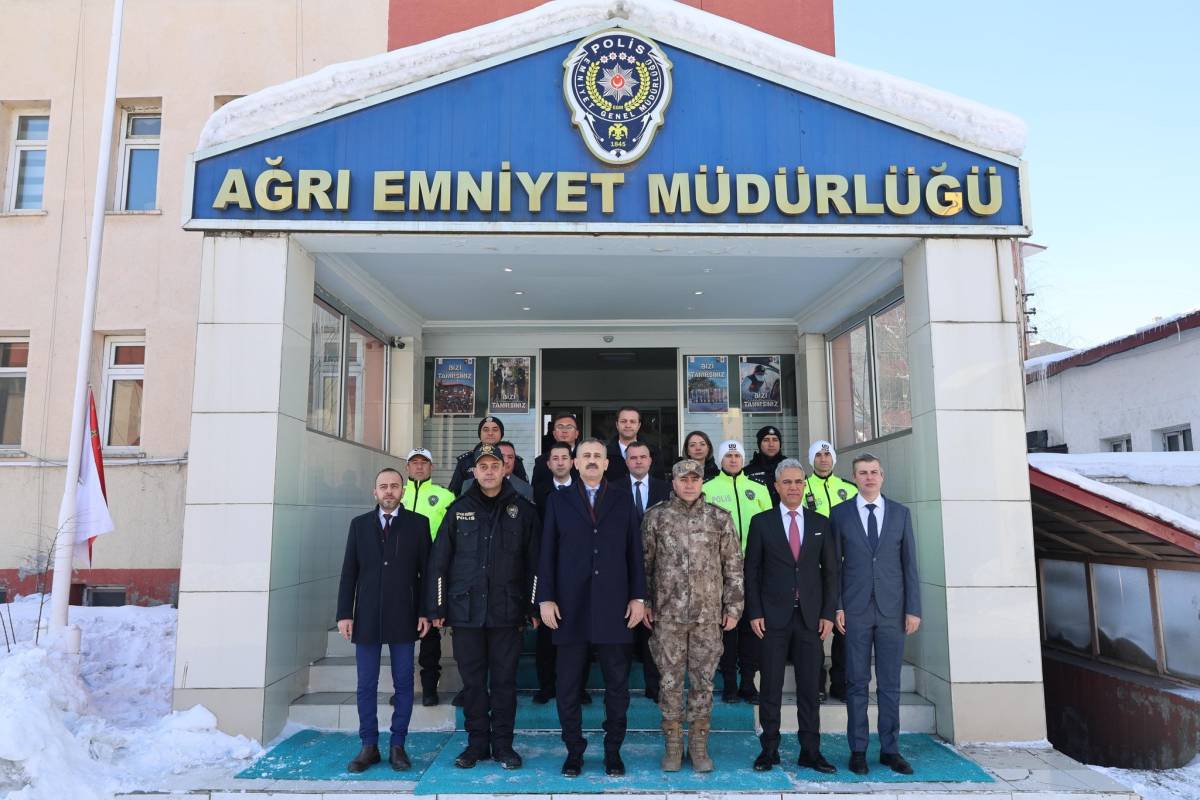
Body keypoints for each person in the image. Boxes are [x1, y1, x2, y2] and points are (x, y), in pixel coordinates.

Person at [426, 444, 541, 770]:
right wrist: (437, 607)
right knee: (474, 684)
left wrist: (533, 606)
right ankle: (476, 744)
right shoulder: (457, 509)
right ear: (473, 472)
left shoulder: (524, 511)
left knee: (504, 683)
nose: (489, 471)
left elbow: (535, 564)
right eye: (483, 466)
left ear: (505, 469)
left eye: (495, 465)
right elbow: (439, 563)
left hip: (508, 612)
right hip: (465, 614)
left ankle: (504, 746)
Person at [538, 438, 646, 778]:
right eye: (585, 456)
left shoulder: (623, 500)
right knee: (567, 686)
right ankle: (574, 752)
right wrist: (545, 598)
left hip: (616, 608)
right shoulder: (557, 500)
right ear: (574, 462)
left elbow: (635, 554)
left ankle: (613, 751)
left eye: (597, 456)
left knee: (617, 686)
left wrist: (638, 597)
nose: (592, 461)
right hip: (569, 608)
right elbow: (547, 554)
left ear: (608, 463)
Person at [642, 459, 743, 773]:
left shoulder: (719, 519)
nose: (689, 484)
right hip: (667, 617)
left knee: (703, 682)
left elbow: (733, 567)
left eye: (694, 479)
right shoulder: (656, 517)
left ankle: (699, 746)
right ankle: (673, 745)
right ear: (673, 482)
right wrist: (644, 602)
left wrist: (734, 607)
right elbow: (644, 566)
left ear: (702, 482)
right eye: (683, 479)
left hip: (707, 617)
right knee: (670, 682)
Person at [745, 459, 838, 774]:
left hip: (811, 619)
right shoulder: (761, 522)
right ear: (776, 486)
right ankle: (769, 750)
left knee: (810, 689)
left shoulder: (820, 522)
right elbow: (752, 572)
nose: (794, 487)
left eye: (799, 482)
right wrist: (755, 611)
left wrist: (827, 613)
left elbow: (831, 574)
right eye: (787, 482)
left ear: (804, 485)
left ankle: (810, 751)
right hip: (772, 619)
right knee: (770, 687)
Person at [336, 467, 431, 773]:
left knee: (403, 682)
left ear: (402, 491)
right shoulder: (359, 525)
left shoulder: (418, 524)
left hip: (404, 614)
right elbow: (349, 571)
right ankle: (369, 746)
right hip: (366, 616)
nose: (389, 491)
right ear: (374, 492)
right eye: (383, 486)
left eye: (394, 486)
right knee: (366, 684)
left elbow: (427, 574)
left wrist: (426, 611)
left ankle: (397, 745)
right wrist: (344, 613)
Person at [831, 454, 921, 776]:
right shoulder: (839, 514)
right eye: (862, 473)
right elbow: (833, 567)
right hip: (854, 610)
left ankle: (890, 749)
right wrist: (837, 605)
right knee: (856, 682)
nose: (868, 477)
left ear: (882, 476)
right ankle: (858, 750)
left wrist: (913, 608)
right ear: (854, 478)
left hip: (892, 612)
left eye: (873, 472)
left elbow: (909, 564)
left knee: (890, 683)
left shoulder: (900, 513)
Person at [702, 440, 772, 704]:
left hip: (754, 569)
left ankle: (748, 683)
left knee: (752, 627)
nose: (733, 460)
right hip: (721, 570)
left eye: (737, 455)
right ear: (720, 460)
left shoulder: (758, 489)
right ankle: (729, 683)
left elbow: (770, 526)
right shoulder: (708, 488)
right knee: (727, 628)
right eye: (728, 455)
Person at [530, 442, 590, 708]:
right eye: (555, 458)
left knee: (580, 632)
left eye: (565, 457)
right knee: (547, 633)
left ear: (573, 462)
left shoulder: (584, 491)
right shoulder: (539, 493)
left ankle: (581, 687)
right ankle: (546, 686)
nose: (560, 462)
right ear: (549, 464)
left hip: (578, 569)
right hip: (547, 566)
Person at [399, 448, 455, 707]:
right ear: (407, 467)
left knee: (430, 633)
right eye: (414, 463)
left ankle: (430, 688)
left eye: (424, 463)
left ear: (431, 467)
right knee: (401, 633)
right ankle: (405, 690)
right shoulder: (397, 494)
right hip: (402, 573)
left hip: (432, 573)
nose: (419, 467)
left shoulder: (444, 496)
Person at [805, 439, 858, 702]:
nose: (823, 459)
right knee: (816, 627)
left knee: (843, 629)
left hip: (846, 568)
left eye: (827, 454)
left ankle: (841, 682)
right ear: (811, 459)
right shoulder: (802, 487)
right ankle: (817, 682)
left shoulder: (848, 488)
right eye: (818, 455)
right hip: (814, 568)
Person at [623, 441, 670, 701]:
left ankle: (654, 686)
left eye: (643, 457)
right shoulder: (615, 488)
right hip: (623, 567)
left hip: (658, 568)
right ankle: (621, 688)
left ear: (651, 461)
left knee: (654, 631)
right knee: (624, 630)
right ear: (626, 461)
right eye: (633, 458)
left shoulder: (665, 489)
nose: (639, 461)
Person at [448, 416, 528, 495]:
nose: (490, 433)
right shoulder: (466, 461)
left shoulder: (513, 460)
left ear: (501, 434)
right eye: (486, 430)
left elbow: (524, 490)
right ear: (480, 434)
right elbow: (453, 493)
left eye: (495, 430)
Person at [604, 406, 665, 482]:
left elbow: (660, 484)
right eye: (623, 421)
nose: (628, 425)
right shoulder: (604, 453)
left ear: (639, 425)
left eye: (632, 421)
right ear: (617, 424)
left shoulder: (654, 452)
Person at [531, 411, 581, 490]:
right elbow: (536, 493)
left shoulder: (585, 459)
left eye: (569, 427)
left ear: (576, 434)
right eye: (560, 427)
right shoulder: (541, 461)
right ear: (554, 434)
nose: (564, 431)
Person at [744, 425, 786, 506]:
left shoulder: (790, 467)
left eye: (775, 440)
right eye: (766, 440)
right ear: (759, 444)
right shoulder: (748, 471)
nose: (771, 444)